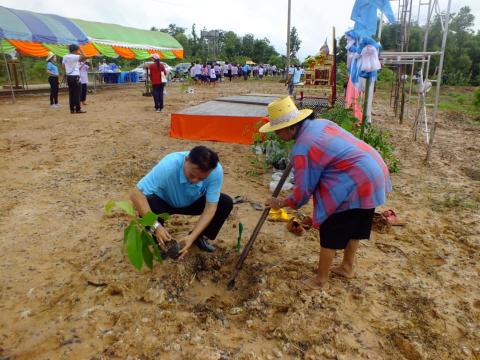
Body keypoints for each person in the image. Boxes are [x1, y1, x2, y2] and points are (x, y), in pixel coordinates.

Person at [260, 97, 391, 289]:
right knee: (356, 224)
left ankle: (320, 279)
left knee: (332, 227)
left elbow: (303, 191)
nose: (278, 135)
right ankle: (347, 267)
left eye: (278, 130)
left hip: (355, 180)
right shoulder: (320, 123)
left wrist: (281, 202)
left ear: (291, 127)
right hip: (374, 170)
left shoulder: (303, 148)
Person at [130, 146, 233, 258]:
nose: (195, 181)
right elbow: (136, 193)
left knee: (225, 203)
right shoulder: (169, 164)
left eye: (201, 179)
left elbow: (210, 208)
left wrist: (192, 237)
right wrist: (156, 225)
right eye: (192, 175)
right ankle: (161, 243)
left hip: (192, 201)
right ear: (186, 160)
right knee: (148, 204)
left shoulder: (216, 172)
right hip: (164, 202)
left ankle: (198, 238)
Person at [62, 44, 86, 114]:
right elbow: (84, 56)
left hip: (69, 76)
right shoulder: (75, 56)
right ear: (76, 50)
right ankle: (78, 109)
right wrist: (80, 48)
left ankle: (72, 109)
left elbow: (63, 66)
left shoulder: (65, 56)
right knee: (77, 93)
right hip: (75, 76)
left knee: (71, 93)